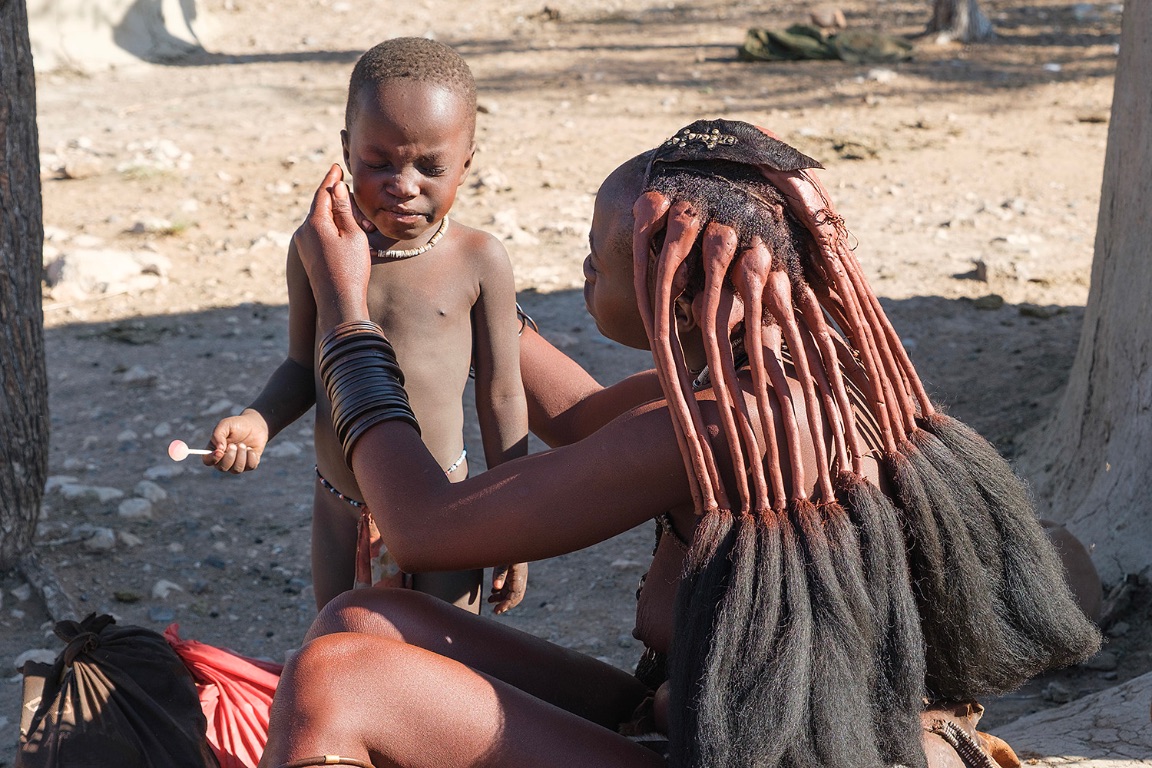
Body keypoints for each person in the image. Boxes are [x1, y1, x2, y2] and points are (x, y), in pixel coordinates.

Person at [257, 120, 1101, 768]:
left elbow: (423, 527)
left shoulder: (710, 429)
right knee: (364, 616)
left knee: (338, 678)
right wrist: (461, 283)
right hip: (702, 722)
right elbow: (590, 424)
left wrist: (348, 319)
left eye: (599, 255)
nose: (584, 268)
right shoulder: (789, 376)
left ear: (676, 279)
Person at [201, 37, 528, 615]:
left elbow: (501, 394)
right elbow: (305, 367)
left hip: (446, 502)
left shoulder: (479, 260)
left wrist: (516, 523)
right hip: (340, 509)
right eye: (379, 163)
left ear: (468, 162)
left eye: (432, 167)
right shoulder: (316, 251)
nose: (404, 184)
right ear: (347, 150)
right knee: (345, 653)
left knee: (451, 663)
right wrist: (257, 420)